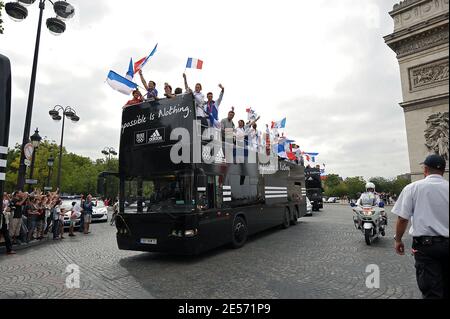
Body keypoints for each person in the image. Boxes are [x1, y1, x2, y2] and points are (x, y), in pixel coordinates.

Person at [392, 154, 449, 299]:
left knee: (432, 292)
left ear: (425, 169)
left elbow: (403, 218)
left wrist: (398, 239)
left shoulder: (413, 188)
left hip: (426, 248)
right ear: (443, 170)